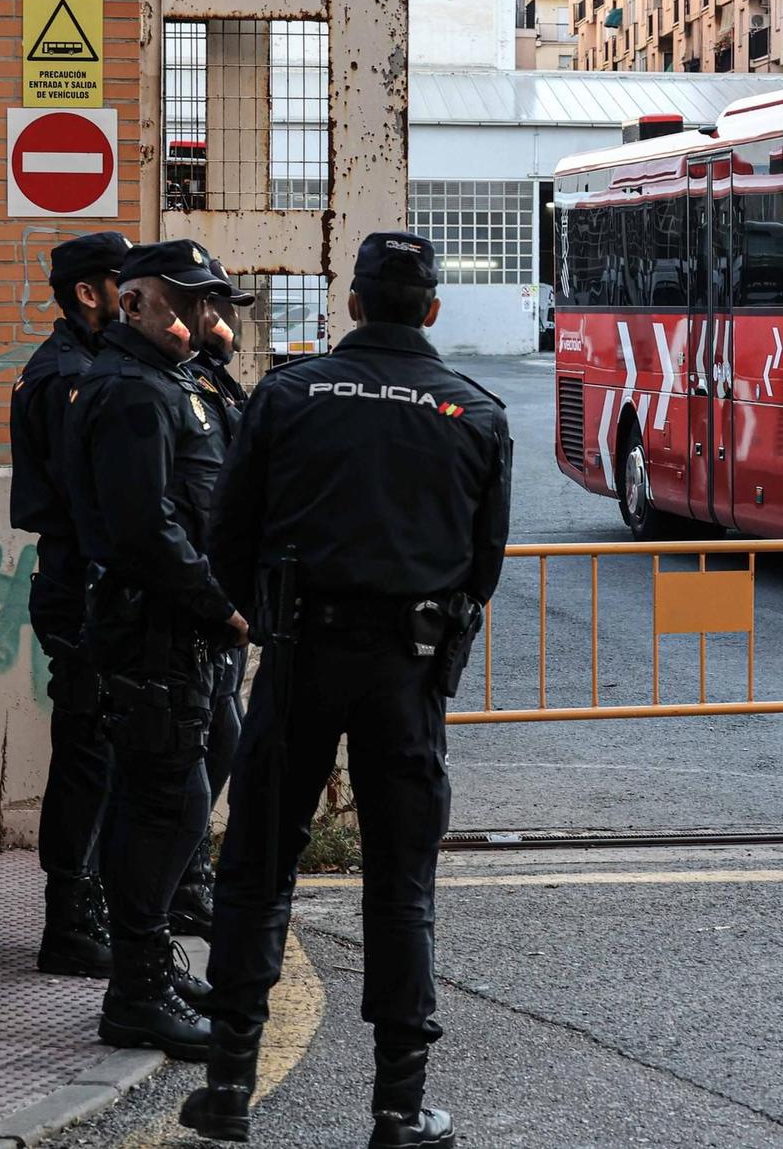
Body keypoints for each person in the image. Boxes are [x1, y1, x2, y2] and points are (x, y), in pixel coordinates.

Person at [182, 232, 512, 1149]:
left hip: (299, 659)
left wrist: (273, 615)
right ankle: (399, 1110)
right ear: (433, 311)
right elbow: (483, 569)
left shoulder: (290, 395)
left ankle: (228, 1090)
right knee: (401, 881)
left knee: (256, 871)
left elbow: (227, 538)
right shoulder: (474, 411)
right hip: (407, 676)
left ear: (354, 303)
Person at [64, 240, 248, 1061]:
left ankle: (150, 971)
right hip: (154, 631)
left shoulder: (169, 382)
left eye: (205, 302)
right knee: (162, 806)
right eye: (181, 300)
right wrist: (222, 606)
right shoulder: (132, 392)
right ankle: (135, 991)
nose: (199, 316)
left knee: (180, 793)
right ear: (131, 302)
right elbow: (146, 531)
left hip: (180, 630)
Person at [9, 230, 129, 977]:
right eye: (125, 282)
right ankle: (68, 918)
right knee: (86, 752)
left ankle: (90, 904)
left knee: (103, 748)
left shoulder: (86, 366)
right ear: (89, 292)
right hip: (79, 585)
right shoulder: (64, 377)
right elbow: (89, 499)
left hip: (90, 582)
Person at [170, 255, 257, 939]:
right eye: (214, 307)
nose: (224, 319)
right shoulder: (175, 386)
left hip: (218, 594)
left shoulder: (213, 384)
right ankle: (179, 886)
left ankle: (186, 882)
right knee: (190, 754)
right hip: (190, 600)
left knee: (218, 744)